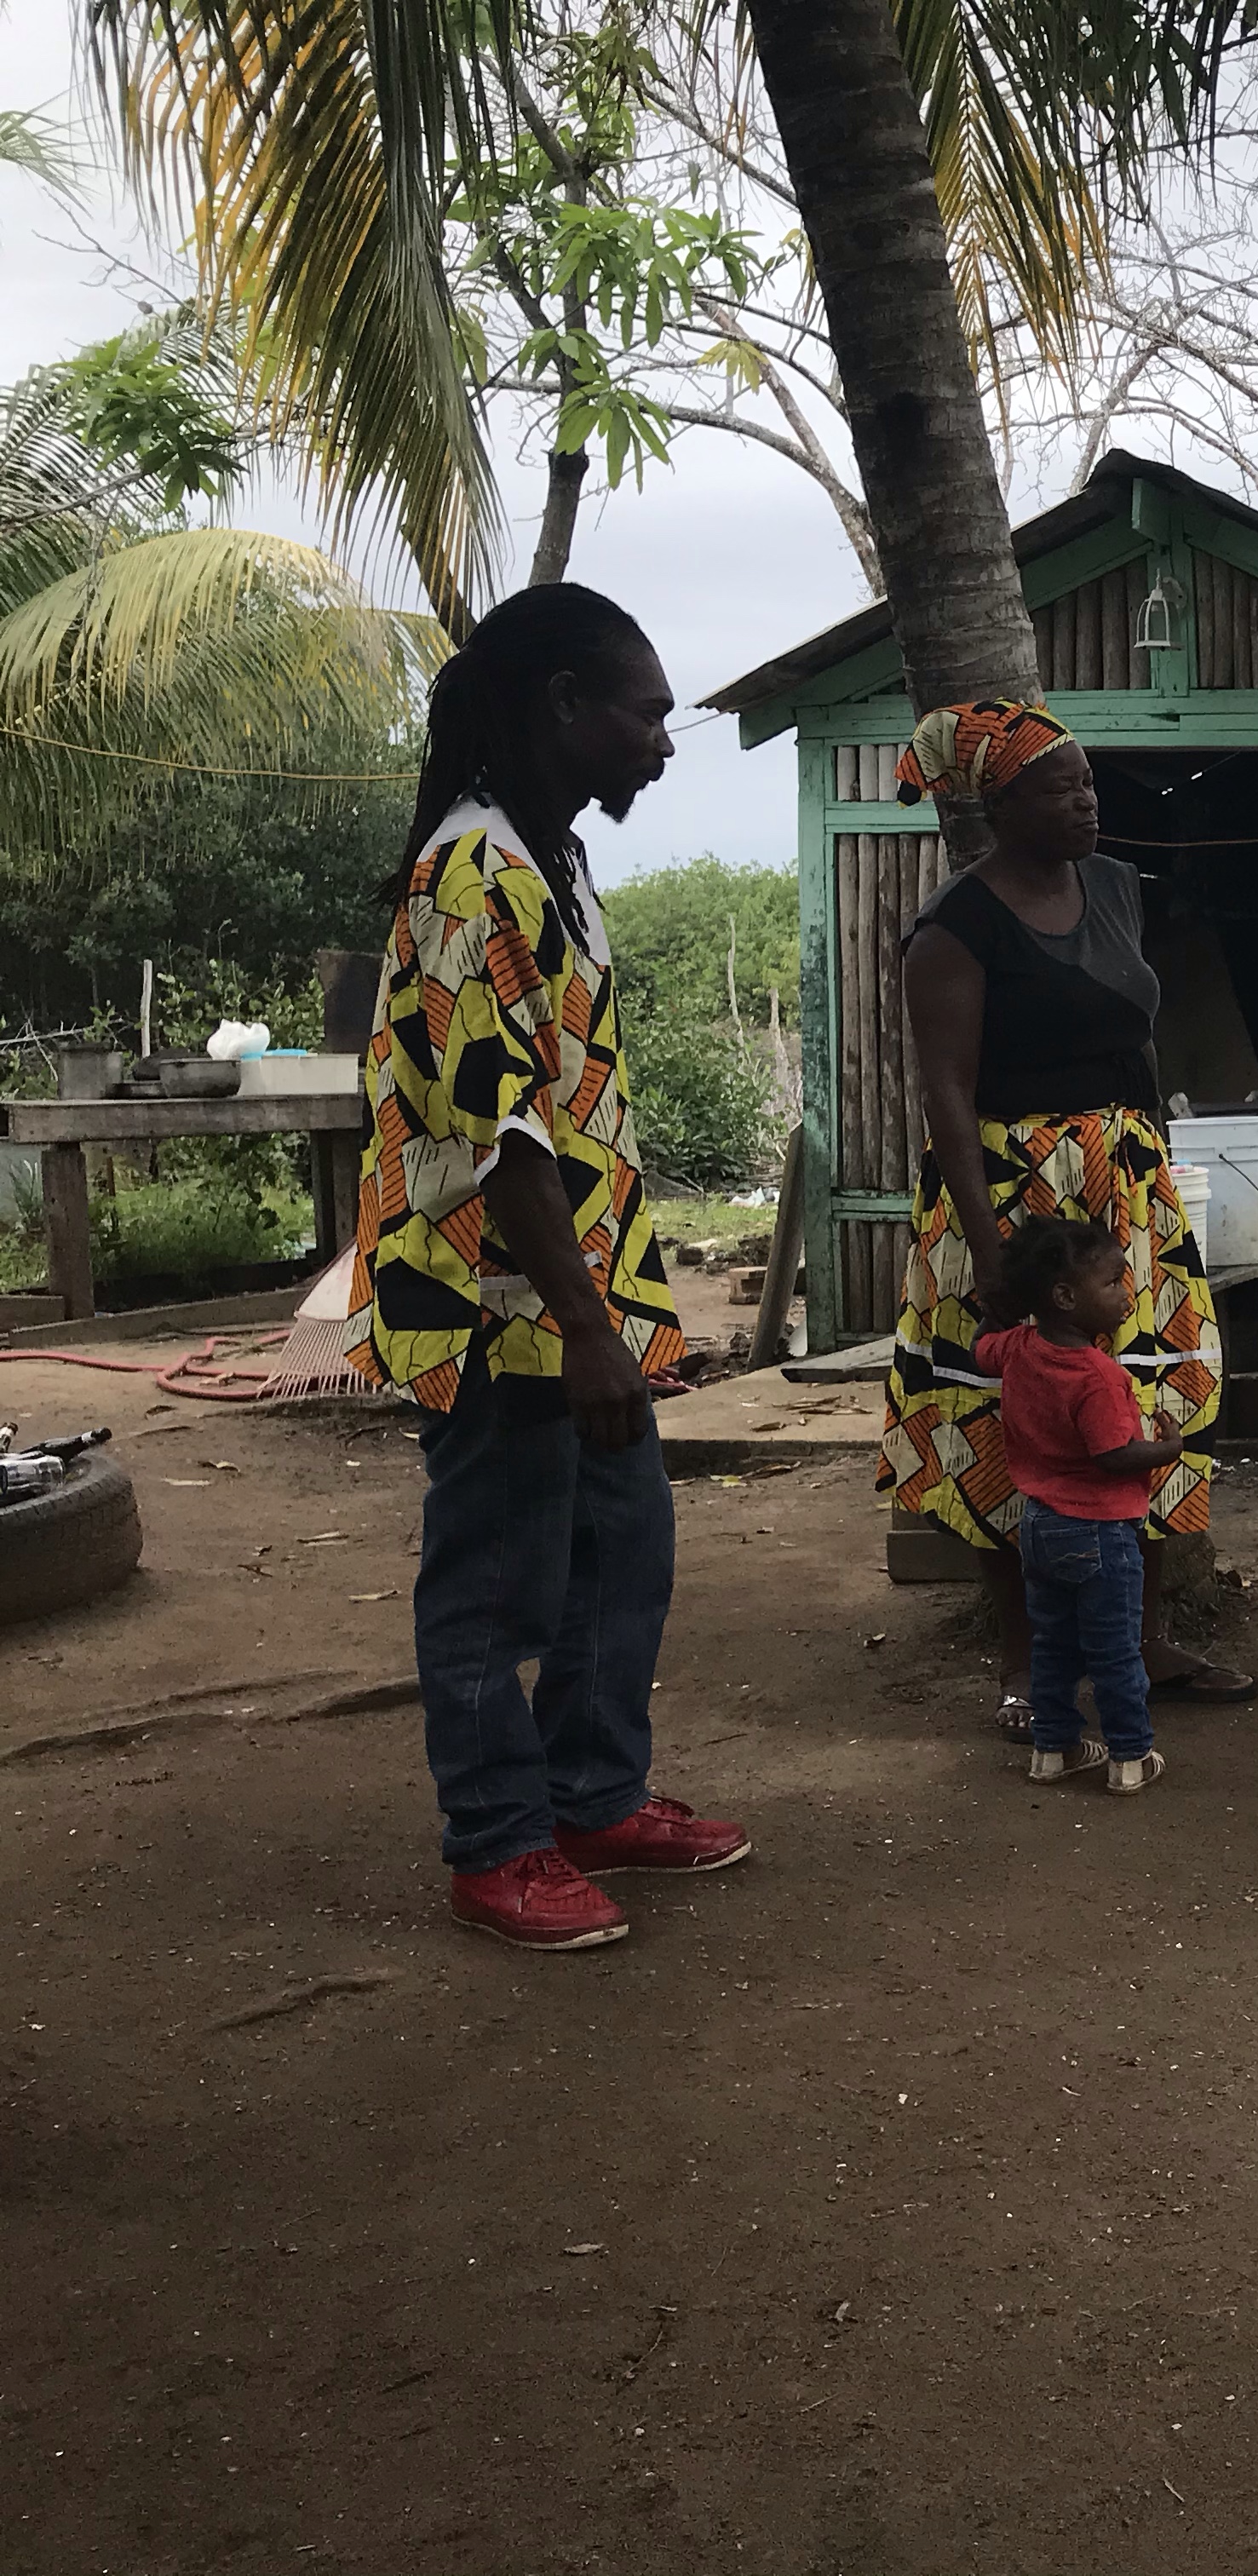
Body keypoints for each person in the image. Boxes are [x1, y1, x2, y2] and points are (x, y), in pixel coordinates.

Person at [345, 583, 750, 1952]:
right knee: (497, 1577)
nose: (664, 744)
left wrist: (602, 1313)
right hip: (492, 1301)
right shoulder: (475, 876)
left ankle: (593, 1796)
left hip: (579, 1296)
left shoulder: (552, 861)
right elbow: (497, 1133)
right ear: (566, 706)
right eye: (648, 715)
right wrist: (582, 1327)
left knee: (622, 1550)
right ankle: (498, 1842)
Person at [880, 699, 1257, 1739]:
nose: (1087, 801)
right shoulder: (953, 929)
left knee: (1145, 1394)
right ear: (998, 806)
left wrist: (1153, 1178)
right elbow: (947, 1096)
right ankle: (1025, 1662)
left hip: (1124, 1189)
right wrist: (991, 1251)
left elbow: (1137, 1038)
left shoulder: (1116, 889)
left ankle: (1140, 1641)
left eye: (1088, 781)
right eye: (1059, 787)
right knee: (1014, 1417)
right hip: (1009, 1195)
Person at [977, 1218, 1182, 1793]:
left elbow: (980, 1349)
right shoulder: (1099, 1376)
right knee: (1115, 1651)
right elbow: (1114, 1455)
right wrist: (1169, 1448)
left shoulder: (1018, 1348)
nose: (1126, 1295)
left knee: (1052, 1646)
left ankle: (1054, 1749)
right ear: (1066, 1297)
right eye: (1113, 1283)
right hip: (1101, 1533)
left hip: (1039, 1528)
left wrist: (995, 1309)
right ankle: (1129, 1757)